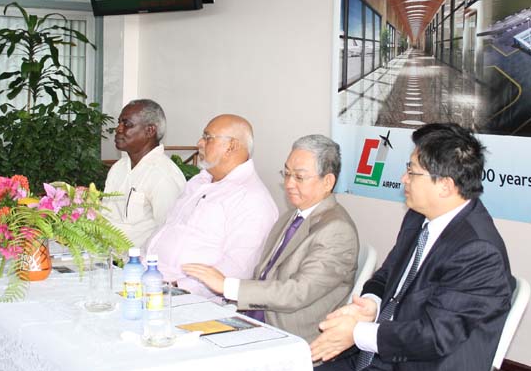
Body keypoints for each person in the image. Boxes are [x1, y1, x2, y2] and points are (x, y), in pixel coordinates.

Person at [311, 123, 515, 371]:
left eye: (412, 172)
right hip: (380, 361)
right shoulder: (419, 216)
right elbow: (387, 275)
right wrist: (371, 304)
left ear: (445, 186)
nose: (404, 179)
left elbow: (434, 336)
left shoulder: (478, 251)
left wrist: (357, 333)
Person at [183, 135, 358, 342]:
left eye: (299, 177)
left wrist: (227, 286)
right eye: (287, 174)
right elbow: (264, 274)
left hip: (291, 335)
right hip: (255, 319)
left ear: (327, 181)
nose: (289, 184)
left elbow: (297, 292)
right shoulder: (292, 216)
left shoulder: (337, 230)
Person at [144, 114, 278, 300]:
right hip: (148, 280)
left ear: (231, 146)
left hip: (187, 299)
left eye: (208, 138)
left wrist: (176, 289)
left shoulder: (252, 199)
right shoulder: (199, 181)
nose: (199, 142)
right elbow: (167, 229)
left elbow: (238, 268)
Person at [103, 99, 186, 247]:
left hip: (137, 265)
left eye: (127, 124)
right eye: (119, 123)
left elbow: (169, 234)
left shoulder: (163, 176)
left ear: (150, 131)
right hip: (103, 257)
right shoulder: (119, 167)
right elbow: (106, 215)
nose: (118, 129)